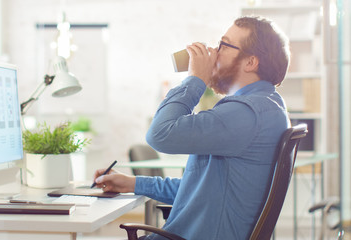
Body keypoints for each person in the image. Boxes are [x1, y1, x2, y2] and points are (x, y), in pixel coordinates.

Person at [93, 16, 291, 240]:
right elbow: (201, 191)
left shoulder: (246, 113)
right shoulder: (266, 107)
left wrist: (196, 79)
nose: (214, 52)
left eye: (223, 45)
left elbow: (159, 134)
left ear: (250, 62)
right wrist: (134, 183)